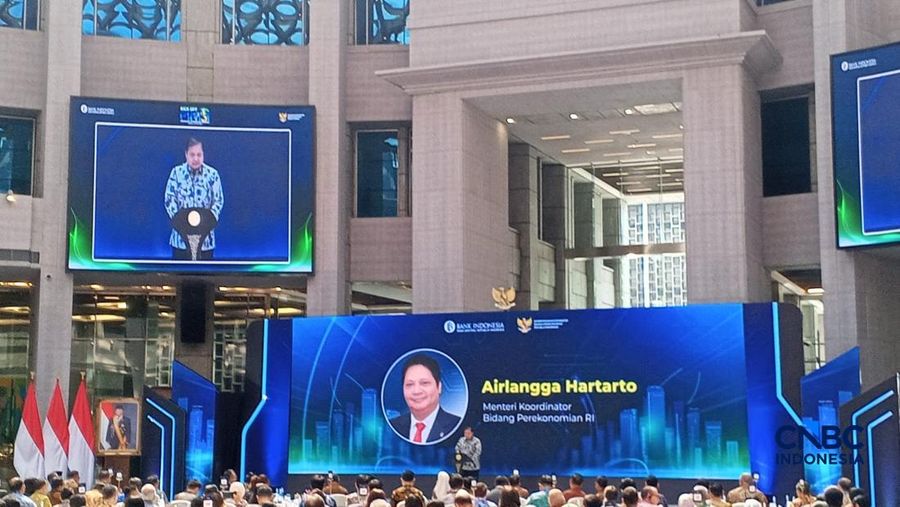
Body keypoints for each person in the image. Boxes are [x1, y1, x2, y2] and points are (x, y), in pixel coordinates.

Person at [164, 137, 224, 260]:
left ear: (203, 155)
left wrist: (207, 223)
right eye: (192, 154)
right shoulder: (176, 173)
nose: (195, 158)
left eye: (199, 154)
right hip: (179, 242)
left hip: (206, 243)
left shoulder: (213, 175)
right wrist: (181, 224)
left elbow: (218, 201)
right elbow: (169, 200)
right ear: (186, 154)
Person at [389, 355, 462, 444]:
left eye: (424, 383)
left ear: (439, 387)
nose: (416, 391)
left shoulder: (458, 426)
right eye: (409, 384)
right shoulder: (392, 427)